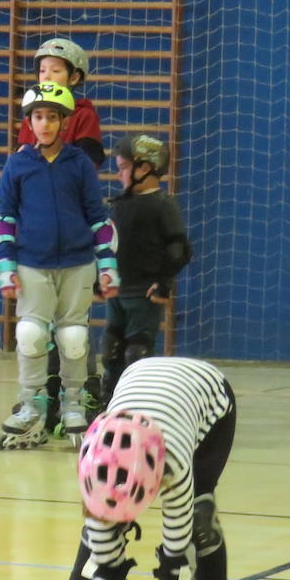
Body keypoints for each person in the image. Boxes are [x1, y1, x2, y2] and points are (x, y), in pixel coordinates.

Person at [36, 356, 242, 580]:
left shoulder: (174, 466)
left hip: (210, 400)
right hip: (140, 387)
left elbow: (177, 556)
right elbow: (103, 552)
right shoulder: (95, 456)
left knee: (200, 516)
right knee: (100, 520)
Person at [0, 82, 118, 449]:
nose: (44, 124)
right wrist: (6, 267)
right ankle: (31, 404)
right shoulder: (18, 165)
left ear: (64, 123)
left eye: (52, 117)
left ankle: (74, 405)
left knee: (74, 338)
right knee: (31, 333)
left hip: (77, 263)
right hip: (33, 262)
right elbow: (4, 218)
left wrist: (107, 265)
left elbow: (98, 217)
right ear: (29, 122)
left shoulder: (78, 164)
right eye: (38, 117)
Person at [17, 38, 105, 422]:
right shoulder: (32, 114)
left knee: (72, 332)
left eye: (55, 70)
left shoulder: (83, 114)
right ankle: (36, 397)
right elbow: (23, 164)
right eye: (42, 70)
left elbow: (88, 164)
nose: (47, 75)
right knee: (33, 330)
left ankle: (80, 394)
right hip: (38, 234)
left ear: (75, 76)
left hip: (72, 225)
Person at [101, 134, 192, 404]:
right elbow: (109, 246)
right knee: (111, 351)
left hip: (145, 293)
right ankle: (109, 405)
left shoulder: (163, 204)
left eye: (123, 168)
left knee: (137, 353)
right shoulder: (119, 205)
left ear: (145, 168)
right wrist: (100, 276)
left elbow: (179, 249)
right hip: (118, 290)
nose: (119, 175)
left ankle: (136, 404)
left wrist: (164, 282)